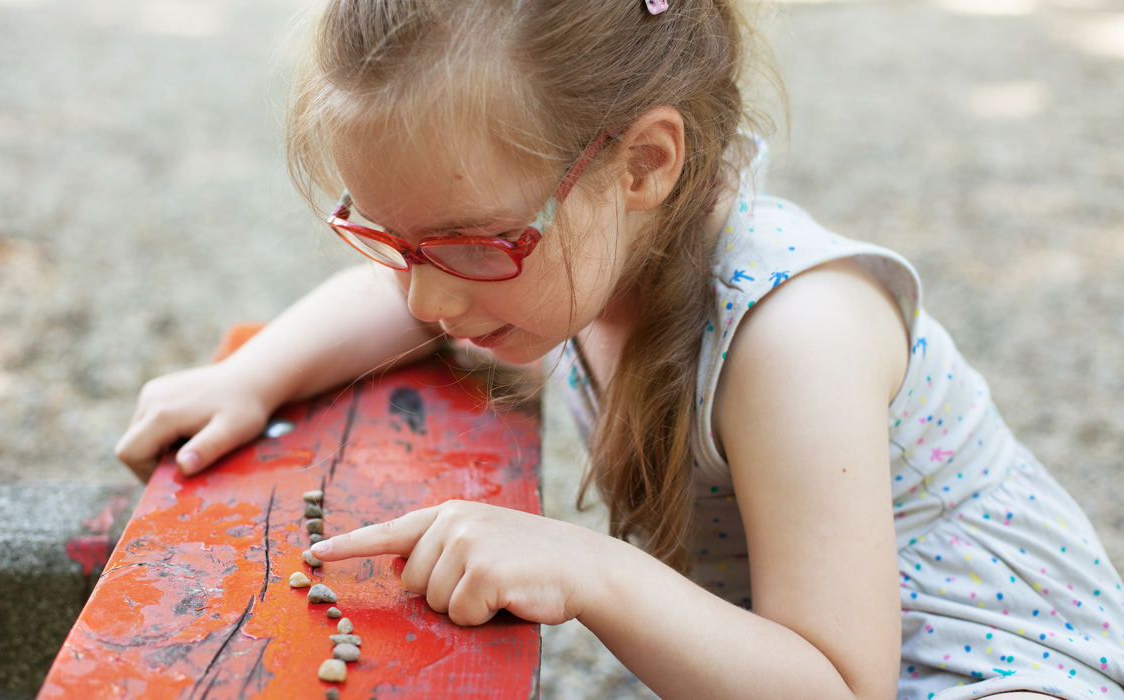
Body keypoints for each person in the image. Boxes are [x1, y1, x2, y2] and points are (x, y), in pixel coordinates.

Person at [114, 0, 1124, 697]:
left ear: (644, 162)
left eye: (466, 241)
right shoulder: (575, 257)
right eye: (394, 240)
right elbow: (408, 301)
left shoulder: (791, 336)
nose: (425, 289)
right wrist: (254, 375)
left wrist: (590, 570)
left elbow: (839, 682)